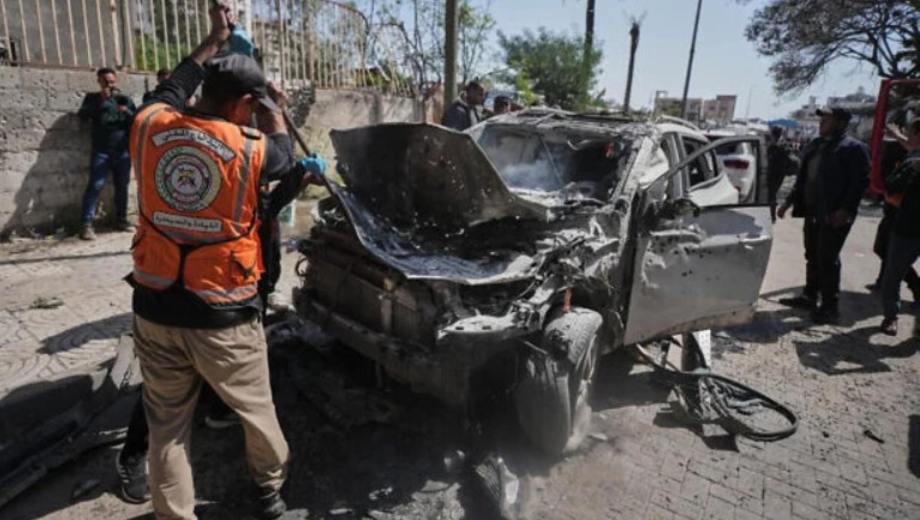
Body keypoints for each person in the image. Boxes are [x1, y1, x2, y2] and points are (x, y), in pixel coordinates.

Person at [122, 3, 324, 518]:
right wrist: (276, 105)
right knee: (256, 413)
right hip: (222, 313)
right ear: (244, 105)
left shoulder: (149, 125)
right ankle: (267, 489)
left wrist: (214, 38)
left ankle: (174, 513)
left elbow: (173, 85)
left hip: (155, 306)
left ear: (200, 93)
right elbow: (281, 146)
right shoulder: (252, 148)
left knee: (167, 426)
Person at [777, 106, 870, 323]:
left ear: (840, 123)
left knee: (827, 258)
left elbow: (859, 184)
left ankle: (830, 306)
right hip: (813, 211)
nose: (821, 124)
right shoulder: (817, 145)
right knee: (812, 254)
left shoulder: (854, 149)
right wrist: (788, 202)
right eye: (821, 121)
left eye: (826, 121)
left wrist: (845, 210)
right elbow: (803, 179)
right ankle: (810, 295)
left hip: (835, 214)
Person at [77, 67, 137, 240]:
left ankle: (121, 220)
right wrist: (101, 103)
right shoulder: (93, 99)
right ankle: (86, 225)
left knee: (122, 186)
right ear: (99, 81)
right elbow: (83, 116)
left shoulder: (123, 99)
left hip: (122, 152)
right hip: (101, 151)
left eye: (112, 82)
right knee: (95, 185)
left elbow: (136, 120)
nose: (109, 85)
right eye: (105, 82)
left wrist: (126, 111)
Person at [879, 119, 920, 335]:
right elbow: (891, 186)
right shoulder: (912, 160)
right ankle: (890, 316)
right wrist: (910, 171)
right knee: (893, 272)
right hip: (908, 227)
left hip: (909, 227)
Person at [766, 126, 800, 221]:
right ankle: (771, 215)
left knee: (771, 195)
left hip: (774, 173)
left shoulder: (775, 146)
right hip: (780, 174)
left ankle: (772, 216)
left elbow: (770, 159)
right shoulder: (784, 145)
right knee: (772, 194)